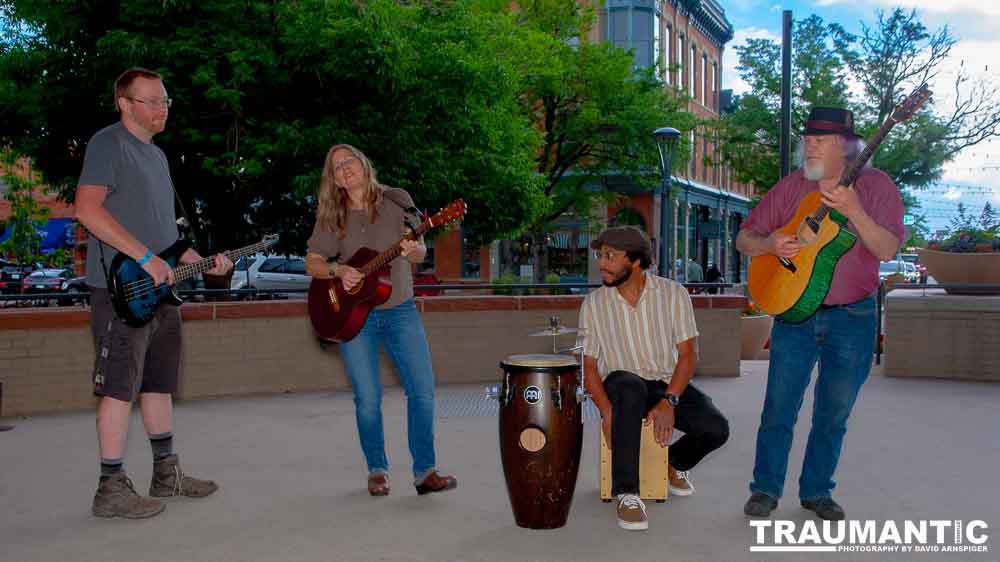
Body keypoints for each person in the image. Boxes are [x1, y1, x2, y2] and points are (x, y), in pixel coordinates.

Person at [75, 68, 234, 519]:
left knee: (158, 383)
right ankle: (110, 487)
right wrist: (145, 258)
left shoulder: (158, 157)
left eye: (165, 100)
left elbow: (169, 237)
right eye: (152, 101)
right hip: (120, 290)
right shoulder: (108, 144)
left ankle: (166, 473)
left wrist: (202, 261)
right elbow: (86, 209)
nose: (162, 108)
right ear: (125, 104)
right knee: (119, 389)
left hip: (161, 291)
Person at [736, 106, 904, 521]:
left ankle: (816, 491)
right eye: (808, 137)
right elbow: (744, 238)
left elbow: (887, 249)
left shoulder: (878, 186)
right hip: (794, 313)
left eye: (821, 139)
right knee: (778, 408)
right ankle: (765, 489)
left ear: (846, 146)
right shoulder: (792, 187)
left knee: (833, 412)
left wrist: (855, 211)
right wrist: (771, 245)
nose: (810, 144)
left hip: (853, 318)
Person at [304, 144, 457, 497]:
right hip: (355, 317)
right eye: (336, 166)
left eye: (349, 160)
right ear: (334, 180)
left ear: (363, 161)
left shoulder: (397, 201)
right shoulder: (333, 215)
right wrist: (337, 270)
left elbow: (420, 252)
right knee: (368, 398)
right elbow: (312, 262)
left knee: (422, 391)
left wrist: (413, 248)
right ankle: (377, 469)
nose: (344, 168)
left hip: (400, 308)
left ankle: (425, 472)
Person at [580, 226, 730, 531]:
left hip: (665, 382)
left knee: (716, 428)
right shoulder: (594, 304)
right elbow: (590, 367)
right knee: (627, 384)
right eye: (600, 255)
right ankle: (627, 493)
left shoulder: (673, 295)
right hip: (621, 384)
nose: (601, 263)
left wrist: (670, 400)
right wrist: (607, 413)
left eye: (610, 256)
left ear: (635, 261)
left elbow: (688, 357)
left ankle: (672, 464)